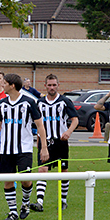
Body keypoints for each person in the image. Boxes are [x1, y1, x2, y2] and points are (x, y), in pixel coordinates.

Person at [0, 73, 49, 220]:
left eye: (5, 83)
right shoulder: (2, 103)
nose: (2, 85)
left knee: (25, 179)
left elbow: (40, 125)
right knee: (8, 180)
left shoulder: (29, 102)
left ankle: (25, 204)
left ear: (12, 85)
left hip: (24, 148)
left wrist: (43, 147)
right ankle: (12, 211)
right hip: (6, 149)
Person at [31, 74, 78, 211]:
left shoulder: (65, 101)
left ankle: (63, 200)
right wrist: (40, 144)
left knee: (63, 170)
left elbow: (75, 119)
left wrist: (68, 132)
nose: (52, 87)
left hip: (60, 142)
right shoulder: (39, 103)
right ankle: (39, 202)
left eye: (54, 85)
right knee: (42, 169)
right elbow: (37, 124)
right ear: (45, 85)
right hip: (45, 142)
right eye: (49, 85)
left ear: (58, 85)